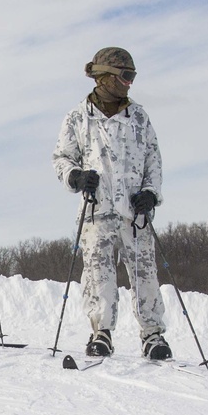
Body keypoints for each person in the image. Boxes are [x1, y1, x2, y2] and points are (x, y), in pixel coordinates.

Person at [52, 47, 172, 360]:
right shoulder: (78, 117)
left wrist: (150, 192)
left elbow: (153, 160)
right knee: (98, 274)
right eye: (126, 76)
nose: (130, 83)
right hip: (96, 210)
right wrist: (75, 177)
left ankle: (153, 335)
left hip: (135, 213)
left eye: (133, 76)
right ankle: (101, 333)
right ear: (106, 77)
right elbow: (62, 158)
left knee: (144, 274)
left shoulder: (139, 117)